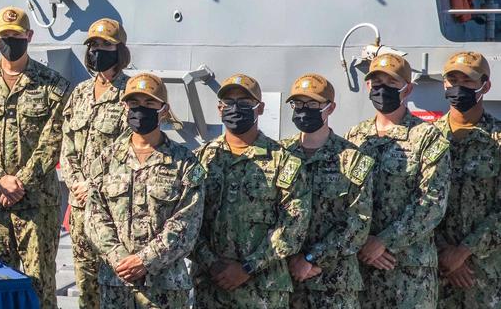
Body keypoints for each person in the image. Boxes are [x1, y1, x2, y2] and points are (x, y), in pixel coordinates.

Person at [0, 6, 70, 309]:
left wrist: (19, 182)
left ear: (29, 36)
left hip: (37, 205)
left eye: (17, 35)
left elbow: (53, 141)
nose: (11, 41)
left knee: (39, 284)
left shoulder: (53, 87)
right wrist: (0, 181)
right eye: (5, 36)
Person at [191, 73, 311, 309]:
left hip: (264, 291)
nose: (235, 108)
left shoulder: (284, 162)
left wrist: (248, 267)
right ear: (219, 108)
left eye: (245, 103)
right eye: (229, 103)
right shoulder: (201, 160)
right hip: (211, 288)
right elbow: (188, 220)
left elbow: (294, 225)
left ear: (260, 108)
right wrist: (213, 264)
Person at [86, 72, 204, 308]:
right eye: (134, 103)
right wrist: (119, 257)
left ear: (164, 109)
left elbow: (186, 223)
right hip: (116, 282)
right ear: (124, 107)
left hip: (165, 287)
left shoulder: (184, 162)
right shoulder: (106, 159)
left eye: (150, 103)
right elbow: (94, 216)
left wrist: (145, 260)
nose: (141, 109)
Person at [345, 53, 450, 309]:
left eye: (391, 83)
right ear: (368, 86)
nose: (382, 89)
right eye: (376, 82)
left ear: (408, 89)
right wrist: (361, 243)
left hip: (408, 272)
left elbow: (431, 203)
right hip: (360, 269)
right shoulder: (355, 136)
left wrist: (382, 242)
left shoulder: (427, 138)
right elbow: (344, 199)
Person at [280, 73, 374, 309]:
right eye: (298, 104)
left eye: (312, 104)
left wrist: (312, 258)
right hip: (284, 279)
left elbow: (358, 222)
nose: (304, 110)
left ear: (330, 108)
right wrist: (290, 258)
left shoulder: (352, 159)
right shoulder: (279, 155)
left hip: (334, 284)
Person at [62, 18, 132, 308]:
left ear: (119, 50)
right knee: (86, 283)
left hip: (114, 210)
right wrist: (76, 182)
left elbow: (131, 150)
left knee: (118, 285)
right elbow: (67, 146)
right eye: (93, 45)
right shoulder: (80, 93)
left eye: (105, 45)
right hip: (80, 209)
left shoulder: (132, 94)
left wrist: (94, 186)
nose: (97, 50)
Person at [433, 51, 501, 307]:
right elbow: (416, 201)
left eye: (468, 80)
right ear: (445, 84)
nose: (459, 86)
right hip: (433, 275)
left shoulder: (497, 138)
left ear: (486, 85)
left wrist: (463, 252)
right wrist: (444, 254)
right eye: (453, 79)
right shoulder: (426, 140)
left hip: (483, 275)